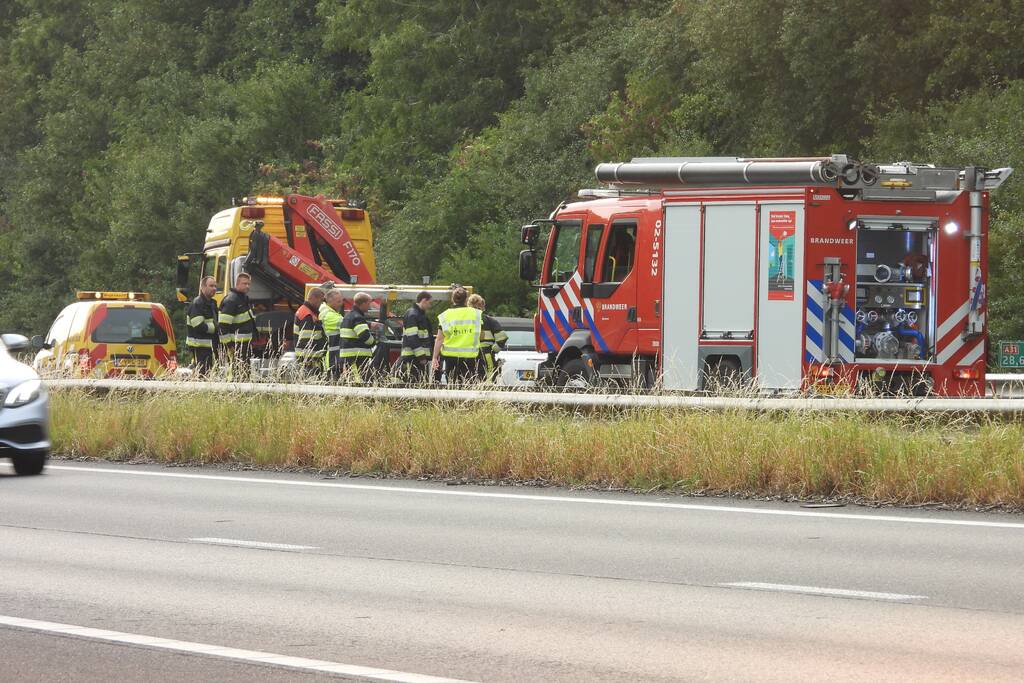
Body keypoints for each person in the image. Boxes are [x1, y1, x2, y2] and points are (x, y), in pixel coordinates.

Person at [432, 287, 482, 385]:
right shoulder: (476, 314)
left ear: (452, 299)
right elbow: (482, 334)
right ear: (466, 299)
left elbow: (439, 339)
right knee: (468, 386)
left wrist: (434, 357)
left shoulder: (445, 315)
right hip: (470, 357)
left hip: (450, 357)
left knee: (452, 385)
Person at [218, 272, 257, 371]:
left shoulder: (243, 298)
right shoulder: (231, 300)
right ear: (237, 284)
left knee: (244, 373)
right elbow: (222, 326)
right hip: (236, 345)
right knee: (237, 373)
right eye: (244, 283)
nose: (247, 286)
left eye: (249, 284)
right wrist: (229, 346)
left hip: (245, 344)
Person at [468, 294, 507, 381]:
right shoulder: (489, 321)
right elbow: (502, 338)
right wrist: (493, 350)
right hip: (486, 355)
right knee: (488, 379)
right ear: (482, 306)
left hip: (467, 355)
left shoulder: (464, 321)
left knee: (468, 379)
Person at [339, 291, 377, 382]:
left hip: (349, 355)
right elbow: (364, 336)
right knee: (359, 382)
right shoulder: (358, 317)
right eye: (368, 304)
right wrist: (374, 342)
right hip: (357, 357)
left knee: (351, 380)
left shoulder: (348, 316)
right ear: (363, 304)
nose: (369, 306)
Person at [185, 275, 219, 375]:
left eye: (215, 286)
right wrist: (216, 328)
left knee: (210, 374)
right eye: (211, 286)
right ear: (203, 287)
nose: (214, 288)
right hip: (199, 348)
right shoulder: (197, 304)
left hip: (210, 347)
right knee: (202, 375)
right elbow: (199, 326)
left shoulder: (212, 303)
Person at [400, 291, 434, 382]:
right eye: (429, 303)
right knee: (415, 384)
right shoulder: (413, 315)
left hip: (417, 358)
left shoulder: (419, 315)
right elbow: (412, 338)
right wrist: (421, 357)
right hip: (413, 358)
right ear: (423, 300)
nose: (430, 306)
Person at [293, 287, 326, 377]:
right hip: (309, 360)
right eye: (321, 300)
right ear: (313, 298)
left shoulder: (305, 311)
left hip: (305, 358)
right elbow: (307, 341)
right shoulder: (308, 315)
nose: (322, 304)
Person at [320, 289, 345, 379]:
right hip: (331, 359)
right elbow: (347, 323)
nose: (341, 303)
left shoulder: (329, 312)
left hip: (332, 358)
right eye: (338, 301)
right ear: (330, 301)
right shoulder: (329, 315)